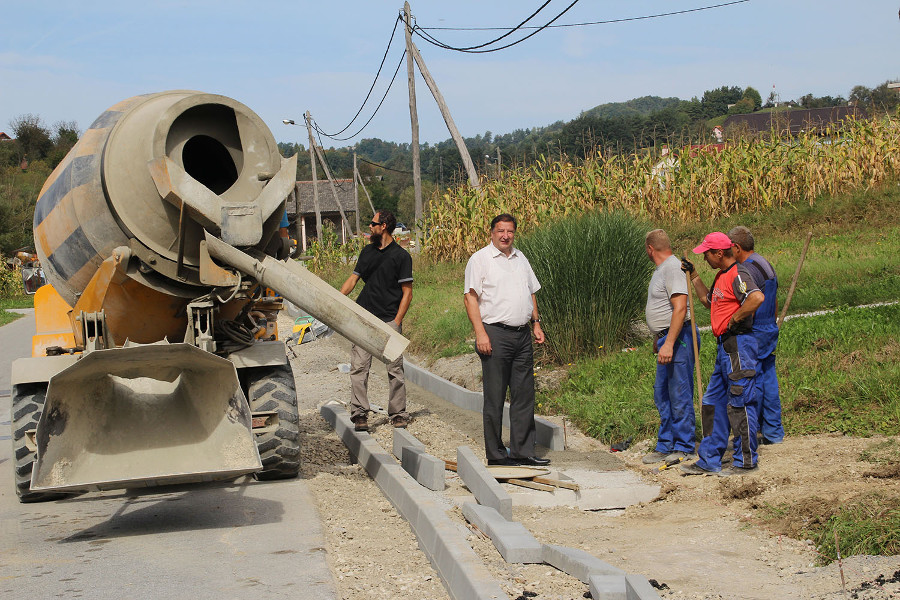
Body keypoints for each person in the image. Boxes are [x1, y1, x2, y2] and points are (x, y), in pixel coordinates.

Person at [464, 214, 549, 467]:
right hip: (494, 334)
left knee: (524, 395)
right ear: (491, 232)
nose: (505, 235)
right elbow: (470, 298)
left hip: (522, 335)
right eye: (500, 231)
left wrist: (536, 323)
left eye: (510, 231)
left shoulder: (520, 258)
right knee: (495, 396)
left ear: (514, 233)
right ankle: (497, 454)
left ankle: (522, 451)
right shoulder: (480, 260)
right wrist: (481, 333)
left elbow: (530, 292)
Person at [679, 232, 764, 476]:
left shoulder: (739, 274)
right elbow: (709, 301)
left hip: (739, 346)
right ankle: (709, 458)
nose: (704, 257)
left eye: (706, 253)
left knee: (741, 403)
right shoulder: (721, 276)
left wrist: (734, 318)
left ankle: (745, 461)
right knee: (713, 401)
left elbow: (756, 297)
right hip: (723, 348)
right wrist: (694, 275)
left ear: (719, 253)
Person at [340, 209, 413, 431]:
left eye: (373, 224)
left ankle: (398, 414)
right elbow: (353, 280)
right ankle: (359, 414)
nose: (369, 228)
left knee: (395, 369)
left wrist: (397, 322)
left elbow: (407, 292)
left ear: (384, 226)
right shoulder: (367, 252)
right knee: (359, 367)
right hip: (363, 317)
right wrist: (336, 299)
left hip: (389, 319)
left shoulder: (401, 256)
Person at [641, 229, 698, 467]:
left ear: (650, 249)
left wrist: (671, 342)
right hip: (666, 338)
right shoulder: (662, 270)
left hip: (679, 339)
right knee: (662, 393)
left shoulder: (673, 268)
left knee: (679, 393)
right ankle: (666, 444)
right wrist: (659, 338)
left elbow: (680, 308)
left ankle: (684, 446)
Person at [728, 226, 783, 445]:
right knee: (769, 380)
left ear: (736, 247)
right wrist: (774, 322)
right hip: (769, 326)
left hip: (756, 330)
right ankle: (773, 432)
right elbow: (774, 298)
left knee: (753, 382)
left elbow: (753, 298)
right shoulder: (765, 263)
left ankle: (753, 432)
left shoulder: (745, 270)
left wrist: (735, 320)